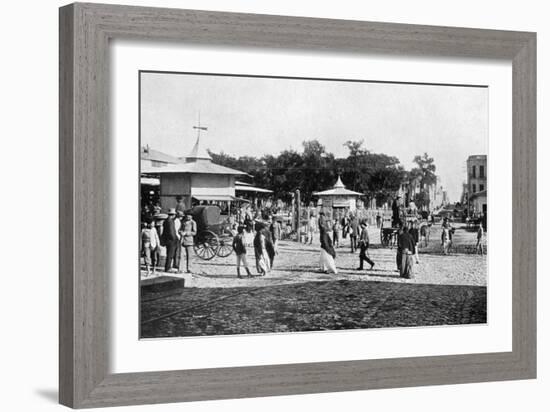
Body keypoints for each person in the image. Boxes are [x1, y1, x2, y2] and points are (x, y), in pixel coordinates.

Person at [161, 208, 179, 273]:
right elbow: (172, 232)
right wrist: (175, 238)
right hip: (171, 240)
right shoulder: (170, 221)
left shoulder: (166, 221)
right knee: (170, 255)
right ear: (173, 215)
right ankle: (168, 268)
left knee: (169, 254)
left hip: (167, 239)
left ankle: (168, 267)